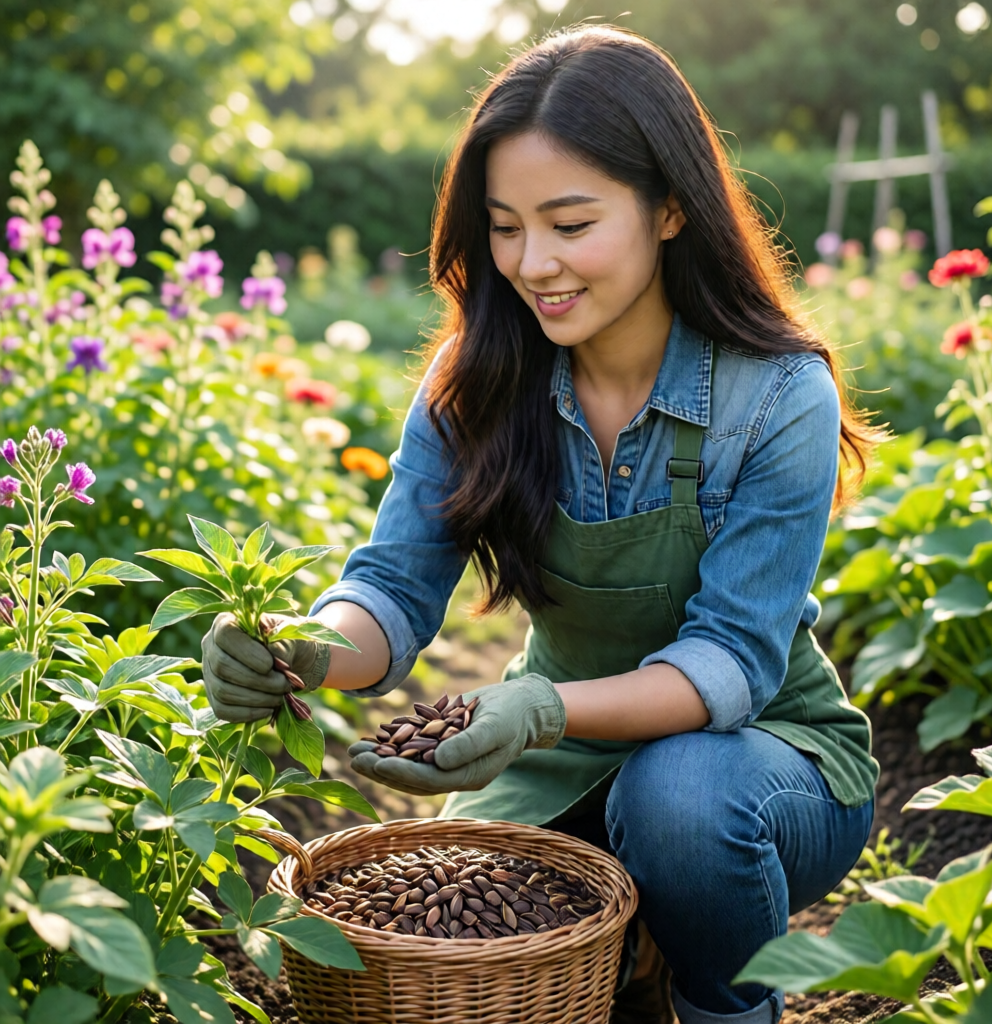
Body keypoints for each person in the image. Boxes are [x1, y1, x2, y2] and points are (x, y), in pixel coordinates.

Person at [201, 25, 882, 1024]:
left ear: (670, 208)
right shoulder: (474, 382)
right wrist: (297, 651)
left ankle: (719, 998)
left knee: (678, 801)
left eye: (570, 223)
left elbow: (732, 662)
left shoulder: (777, 395)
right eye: (505, 226)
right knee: (456, 914)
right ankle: (631, 948)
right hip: (556, 753)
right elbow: (390, 589)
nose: (531, 263)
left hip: (763, 762)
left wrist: (543, 709)